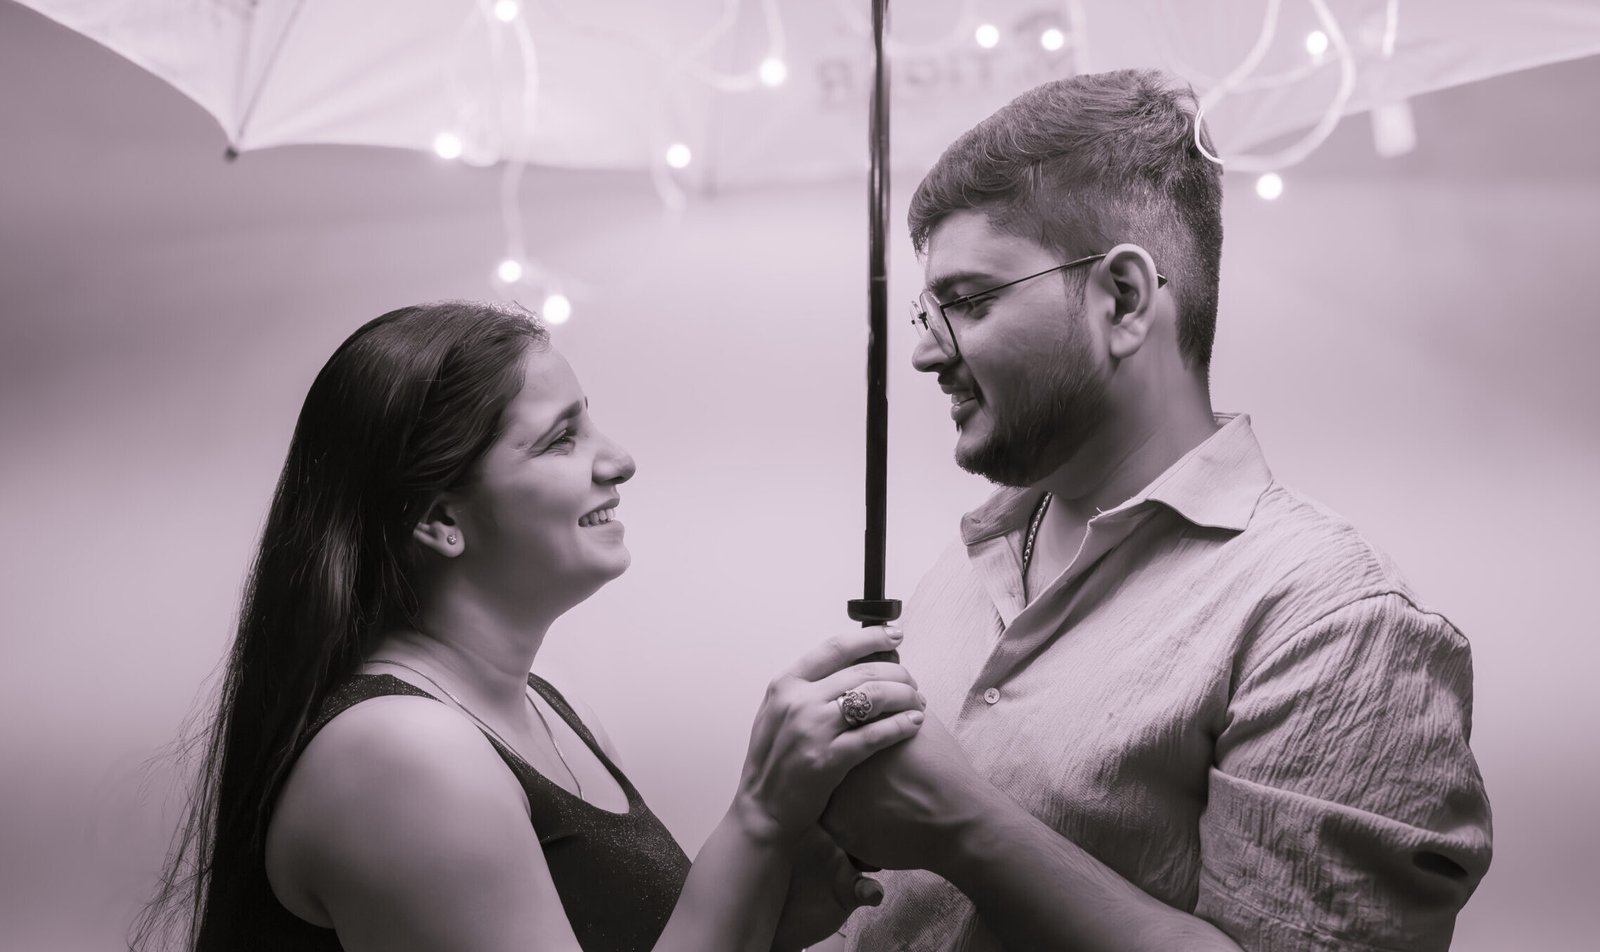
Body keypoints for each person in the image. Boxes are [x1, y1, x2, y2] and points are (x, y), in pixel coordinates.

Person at [819, 69, 1493, 951]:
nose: (923, 353)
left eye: (969, 302)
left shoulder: (1332, 624)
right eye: (926, 309)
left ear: (1125, 299)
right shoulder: (973, 559)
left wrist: (964, 826)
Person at [132, 300, 928, 952]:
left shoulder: (546, 712)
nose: (619, 460)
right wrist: (759, 818)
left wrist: (762, 923)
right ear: (442, 519)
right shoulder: (401, 754)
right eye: (561, 439)